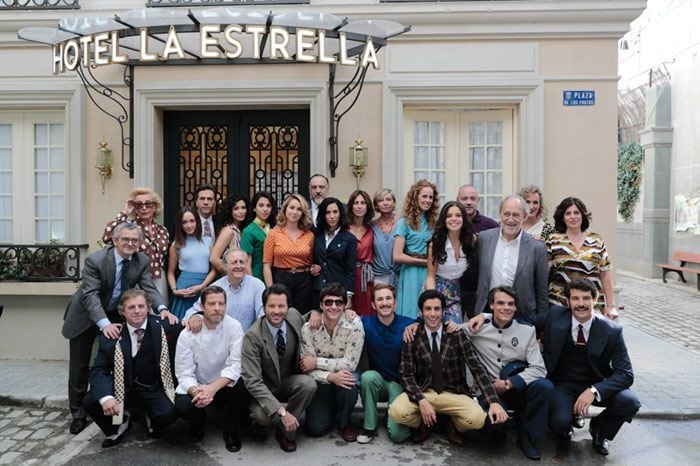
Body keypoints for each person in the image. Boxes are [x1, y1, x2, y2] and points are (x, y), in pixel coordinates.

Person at [62, 221, 176, 435]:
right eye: (125, 239)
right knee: (80, 365)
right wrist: (104, 323)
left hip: (116, 312)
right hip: (86, 315)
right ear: (115, 240)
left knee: (117, 358)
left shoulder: (141, 260)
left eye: (134, 240)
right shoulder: (96, 260)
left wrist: (161, 307)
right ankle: (78, 414)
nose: (130, 243)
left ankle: (121, 404)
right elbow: (90, 295)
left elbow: (148, 286)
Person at [388, 289, 508, 445]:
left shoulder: (455, 333)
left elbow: (477, 368)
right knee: (397, 412)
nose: (432, 314)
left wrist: (494, 402)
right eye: (428, 309)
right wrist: (421, 400)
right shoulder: (412, 335)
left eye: (437, 309)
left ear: (443, 311)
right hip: (425, 391)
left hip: (453, 392)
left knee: (477, 419)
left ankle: (451, 423)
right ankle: (425, 423)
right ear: (421, 311)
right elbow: (406, 375)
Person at [539, 279, 639, 455]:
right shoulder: (554, 315)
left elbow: (626, 374)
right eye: (575, 299)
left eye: (586, 298)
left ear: (595, 299)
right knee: (560, 422)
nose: (581, 304)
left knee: (629, 401)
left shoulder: (612, 331)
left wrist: (594, 390)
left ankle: (600, 428)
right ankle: (567, 422)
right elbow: (526, 323)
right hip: (565, 384)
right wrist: (486, 318)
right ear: (568, 301)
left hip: (597, 382)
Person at [462, 286, 554, 460]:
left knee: (545, 386)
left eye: (511, 304)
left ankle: (527, 436)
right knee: (496, 431)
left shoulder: (527, 331)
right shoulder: (476, 328)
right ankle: (504, 427)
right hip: (490, 393)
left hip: (517, 388)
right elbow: (449, 328)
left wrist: (509, 383)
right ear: (491, 305)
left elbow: (539, 369)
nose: (506, 307)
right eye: (501, 303)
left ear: (516, 307)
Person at [81, 290, 178, 448]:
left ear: (148, 308)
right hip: (123, 388)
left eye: (141, 306)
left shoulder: (165, 327)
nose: (137, 310)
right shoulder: (112, 334)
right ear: (122, 311)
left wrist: (197, 317)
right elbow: (98, 370)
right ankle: (121, 424)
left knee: (170, 412)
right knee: (90, 400)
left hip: (152, 387)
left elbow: (191, 327)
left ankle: (150, 419)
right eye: (131, 307)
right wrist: (106, 398)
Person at [241, 284, 317, 453]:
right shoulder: (252, 336)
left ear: (288, 307)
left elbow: (308, 317)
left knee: (308, 384)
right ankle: (261, 426)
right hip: (263, 388)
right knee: (261, 416)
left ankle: (285, 430)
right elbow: (252, 382)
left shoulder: (294, 316)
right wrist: (282, 412)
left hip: (286, 381)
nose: (276, 311)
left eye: (281, 306)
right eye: (271, 306)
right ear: (264, 307)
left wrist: (315, 312)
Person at [174, 286, 249, 452]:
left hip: (223, 384)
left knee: (243, 384)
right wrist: (197, 392)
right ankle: (197, 424)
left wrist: (212, 389)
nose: (217, 308)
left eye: (221, 304)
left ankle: (231, 430)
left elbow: (236, 365)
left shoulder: (234, 327)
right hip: (198, 385)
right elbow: (184, 372)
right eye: (212, 303)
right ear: (202, 307)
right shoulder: (187, 333)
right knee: (183, 405)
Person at [300, 283, 365, 442]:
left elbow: (350, 364)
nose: (333, 307)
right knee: (315, 429)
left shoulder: (355, 325)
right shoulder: (308, 329)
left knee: (349, 383)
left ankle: (345, 423)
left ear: (345, 305)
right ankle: (331, 409)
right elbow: (306, 367)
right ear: (321, 305)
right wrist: (330, 377)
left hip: (344, 377)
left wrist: (317, 361)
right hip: (320, 381)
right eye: (328, 302)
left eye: (339, 302)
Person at [474, 195, 548, 319]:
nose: (510, 219)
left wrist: (541, 323)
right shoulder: (484, 239)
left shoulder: (537, 248)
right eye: (506, 214)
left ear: (524, 217)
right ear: (500, 215)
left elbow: (542, 291)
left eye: (516, 215)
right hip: (487, 313)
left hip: (522, 315)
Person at [357, 284, 414, 444]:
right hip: (378, 383)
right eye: (380, 299)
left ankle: (393, 415)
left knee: (398, 435)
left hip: (400, 385)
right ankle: (369, 426)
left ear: (395, 302)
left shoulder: (408, 324)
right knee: (367, 377)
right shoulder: (365, 323)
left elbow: (431, 323)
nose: (385, 303)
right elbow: (342, 319)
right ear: (374, 305)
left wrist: (418, 325)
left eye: (388, 298)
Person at [547, 196, 618, 318]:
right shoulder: (553, 240)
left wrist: (610, 305)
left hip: (592, 305)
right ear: (562, 217)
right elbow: (544, 272)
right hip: (560, 304)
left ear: (583, 215)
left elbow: (605, 274)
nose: (573, 216)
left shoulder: (596, 240)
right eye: (568, 213)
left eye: (576, 212)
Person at [184, 249, 265, 332]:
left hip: (248, 341)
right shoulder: (216, 287)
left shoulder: (257, 285)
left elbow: (263, 315)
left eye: (241, 262)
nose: (238, 266)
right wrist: (196, 317)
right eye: (234, 262)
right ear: (225, 265)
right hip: (221, 340)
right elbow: (194, 310)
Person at [393, 179, 439, 319]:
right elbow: (397, 256)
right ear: (415, 197)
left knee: (430, 309)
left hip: (430, 272)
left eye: (431, 197)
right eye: (424, 196)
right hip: (411, 272)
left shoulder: (434, 222)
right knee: (411, 311)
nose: (428, 200)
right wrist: (423, 262)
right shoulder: (404, 222)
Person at [102, 188, 170, 281]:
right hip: (135, 277)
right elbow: (107, 237)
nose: (144, 208)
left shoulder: (163, 230)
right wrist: (125, 212)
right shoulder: (129, 227)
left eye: (148, 204)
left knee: (157, 296)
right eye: (139, 205)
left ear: (155, 207)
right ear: (135, 209)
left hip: (159, 278)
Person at [263, 194, 315, 314]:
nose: (294, 212)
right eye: (292, 208)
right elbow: (266, 265)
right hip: (282, 278)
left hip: (304, 279)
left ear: (303, 213)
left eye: (299, 209)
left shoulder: (309, 235)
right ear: (285, 209)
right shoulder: (273, 234)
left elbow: (311, 260)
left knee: (302, 316)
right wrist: (271, 290)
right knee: (282, 314)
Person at [424, 201, 475, 323]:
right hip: (437, 289)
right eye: (449, 216)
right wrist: (432, 300)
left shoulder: (471, 240)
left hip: (458, 292)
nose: (454, 219)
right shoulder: (435, 244)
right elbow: (430, 276)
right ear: (443, 220)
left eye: (458, 215)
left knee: (455, 329)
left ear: (463, 218)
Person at [167, 206, 216, 320]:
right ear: (180, 225)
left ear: (197, 221)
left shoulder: (208, 241)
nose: (189, 225)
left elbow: (214, 270)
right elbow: (170, 272)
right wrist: (175, 290)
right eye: (184, 222)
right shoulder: (176, 245)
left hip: (204, 287)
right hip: (184, 289)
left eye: (192, 221)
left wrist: (202, 286)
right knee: (182, 326)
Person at [310, 197, 356, 309]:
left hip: (338, 290)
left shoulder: (349, 238)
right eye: (328, 212)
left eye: (335, 212)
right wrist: (312, 267)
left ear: (341, 213)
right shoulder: (316, 235)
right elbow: (312, 258)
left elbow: (351, 270)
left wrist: (348, 296)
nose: (332, 216)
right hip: (318, 289)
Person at [347, 190, 375, 316]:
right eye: (356, 203)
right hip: (349, 276)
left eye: (362, 203)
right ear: (351, 206)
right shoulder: (344, 229)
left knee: (368, 311)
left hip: (367, 277)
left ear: (367, 206)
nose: (359, 206)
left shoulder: (372, 229)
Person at [240, 191, 276, 281]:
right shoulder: (248, 231)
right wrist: (253, 284)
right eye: (261, 205)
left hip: (275, 276)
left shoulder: (273, 228)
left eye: (268, 206)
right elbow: (247, 263)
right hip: (257, 277)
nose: (265, 209)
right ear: (254, 208)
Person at [211, 194, 250, 274]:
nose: (241, 211)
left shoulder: (243, 230)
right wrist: (231, 272)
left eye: (243, 208)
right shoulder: (228, 231)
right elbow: (214, 258)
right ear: (229, 211)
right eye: (236, 209)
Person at [370, 188, 400, 286]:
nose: (385, 203)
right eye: (381, 200)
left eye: (388, 199)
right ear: (376, 205)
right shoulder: (372, 226)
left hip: (400, 274)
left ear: (394, 202)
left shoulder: (403, 222)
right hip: (379, 276)